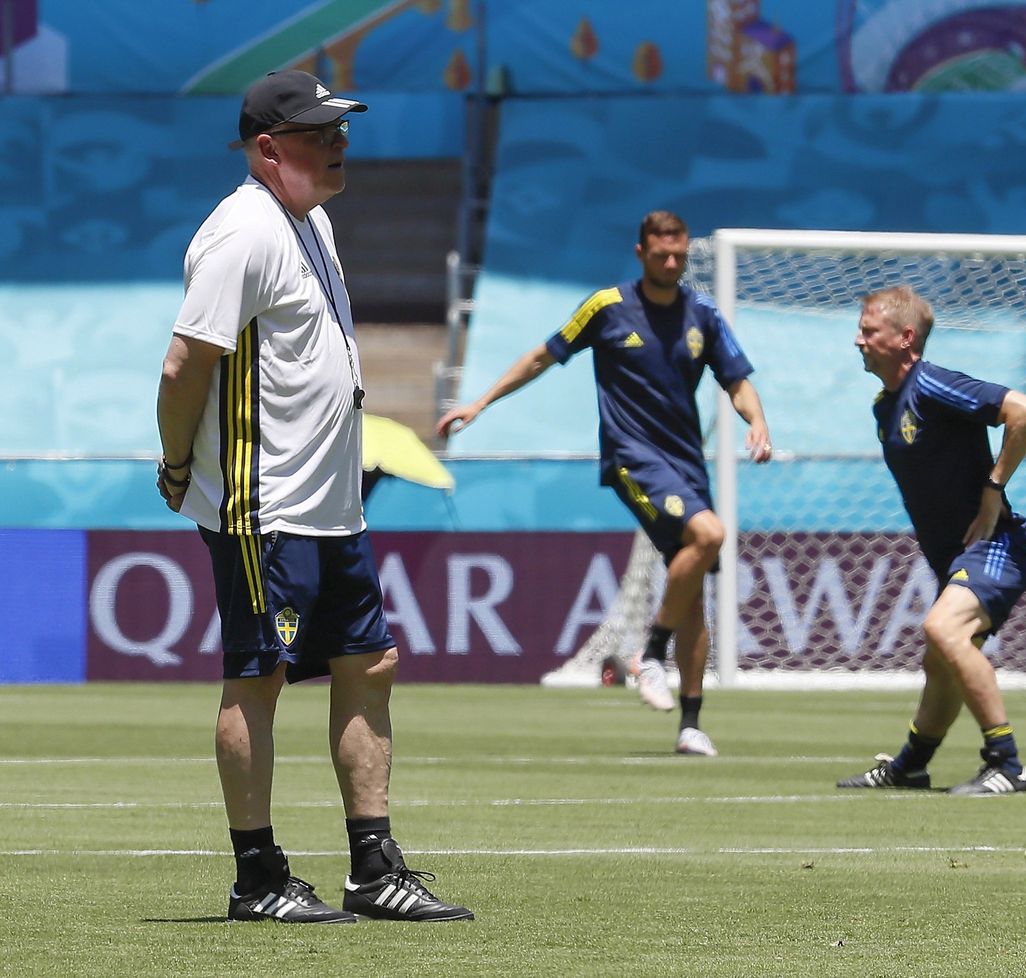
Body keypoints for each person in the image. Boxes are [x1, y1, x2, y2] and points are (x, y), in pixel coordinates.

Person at [155, 72, 473, 923]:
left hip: (330, 505)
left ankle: (373, 867)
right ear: (267, 148)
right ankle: (256, 879)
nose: (338, 141)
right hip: (266, 508)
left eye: (339, 127)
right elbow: (185, 365)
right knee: (258, 678)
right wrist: (178, 465)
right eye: (318, 130)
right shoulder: (242, 233)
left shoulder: (311, 219)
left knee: (370, 666)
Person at [437, 211, 772, 757]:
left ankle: (690, 724)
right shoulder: (607, 307)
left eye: (680, 255)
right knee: (709, 535)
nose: (671, 262)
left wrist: (755, 420)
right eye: (661, 254)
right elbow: (543, 356)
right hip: (631, 458)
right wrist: (479, 402)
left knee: (691, 595)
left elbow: (737, 381)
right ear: (640, 253)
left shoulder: (702, 315)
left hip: (686, 464)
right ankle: (651, 654)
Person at [837, 285, 1026, 795]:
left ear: (905, 337)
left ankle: (1007, 764)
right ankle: (911, 765)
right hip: (953, 556)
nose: (857, 340)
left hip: (997, 546)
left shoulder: (932, 384)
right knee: (941, 659)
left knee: (944, 632)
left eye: (869, 330)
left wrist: (994, 487)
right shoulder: (886, 406)